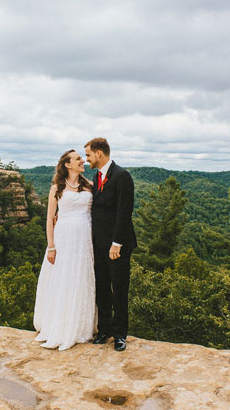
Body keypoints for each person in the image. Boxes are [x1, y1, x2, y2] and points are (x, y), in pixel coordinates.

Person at [33, 149, 96, 350]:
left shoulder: (90, 186)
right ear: (67, 164)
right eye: (78, 159)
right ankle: (59, 324)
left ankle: (79, 326)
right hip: (64, 239)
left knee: (81, 278)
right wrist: (51, 246)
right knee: (63, 279)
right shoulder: (56, 188)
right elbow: (50, 219)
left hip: (84, 238)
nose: (82, 161)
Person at [84, 137, 136, 352]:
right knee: (102, 288)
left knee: (119, 289)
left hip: (118, 245)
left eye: (88, 155)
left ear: (98, 153)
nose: (87, 159)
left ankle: (120, 335)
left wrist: (116, 243)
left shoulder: (122, 176)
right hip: (98, 244)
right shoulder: (96, 177)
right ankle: (104, 330)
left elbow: (124, 213)